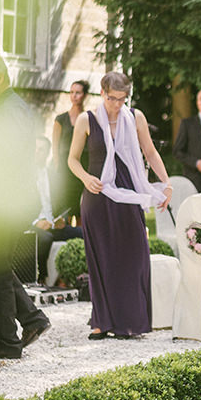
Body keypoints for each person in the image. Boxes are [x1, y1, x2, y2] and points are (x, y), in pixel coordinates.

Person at [69, 71, 171, 339]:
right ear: (102, 92)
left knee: (134, 256)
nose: (117, 104)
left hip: (128, 194)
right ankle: (101, 321)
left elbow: (149, 151)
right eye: (113, 98)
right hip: (97, 195)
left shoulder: (135, 116)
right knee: (101, 259)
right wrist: (86, 178)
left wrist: (165, 182)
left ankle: (130, 322)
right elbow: (72, 160)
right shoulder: (86, 120)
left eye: (122, 99)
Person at [0, 52, 52, 359]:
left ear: (0, 78)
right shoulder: (4, 107)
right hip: (7, 198)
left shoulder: (9, 110)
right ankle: (32, 319)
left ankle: (7, 342)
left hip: (10, 200)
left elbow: (8, 156)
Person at [32, 136, 82, 284]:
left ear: (47, 153)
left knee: (82, 233)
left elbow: (61, 202)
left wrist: (61, 218)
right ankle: (41, 278)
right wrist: (36, 222)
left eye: (41, 150)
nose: (37, 152)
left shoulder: (53, 176)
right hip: (34, 225)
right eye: (35, 148)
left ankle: (72, 277)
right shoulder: (24, 176)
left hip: (53, 223)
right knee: (45, 238)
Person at [51, 80, 90, 223]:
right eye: (72, 92)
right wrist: (56, 165)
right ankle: (66, 234)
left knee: (80, 206)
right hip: (64, 167)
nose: (74, 96)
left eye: (78, 92)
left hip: (83, 165)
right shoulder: (60, 119)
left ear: (85, 95)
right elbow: (55, 145)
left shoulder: (88, 119)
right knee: (64, 204)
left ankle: (80, 236)